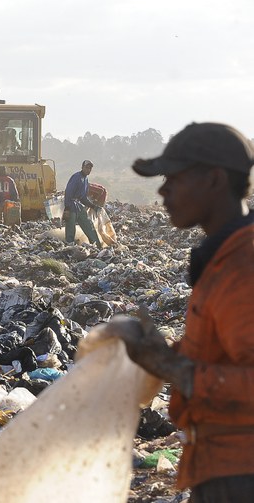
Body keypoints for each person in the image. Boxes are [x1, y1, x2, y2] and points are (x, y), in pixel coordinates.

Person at [108, 122, 254, 501]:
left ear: (215, 180)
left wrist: (174, 369)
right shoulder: (222, 259)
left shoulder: (244, 265)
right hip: (219, 468)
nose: (162, 190)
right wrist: (166, 352)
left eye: (174, 178)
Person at [64, 159, 101, 246]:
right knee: (70, 228)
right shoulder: (76, 177)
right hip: (71, 204)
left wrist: (93, 206)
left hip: (79, 206)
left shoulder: (85, 179)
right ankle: (70, 246)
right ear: (82, 167)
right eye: (86, 167)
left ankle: (97, 245)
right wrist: (67, 209)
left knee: (88, 224)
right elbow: (68, 192)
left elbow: (83, 198)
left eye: (90, 168)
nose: (88, 170)